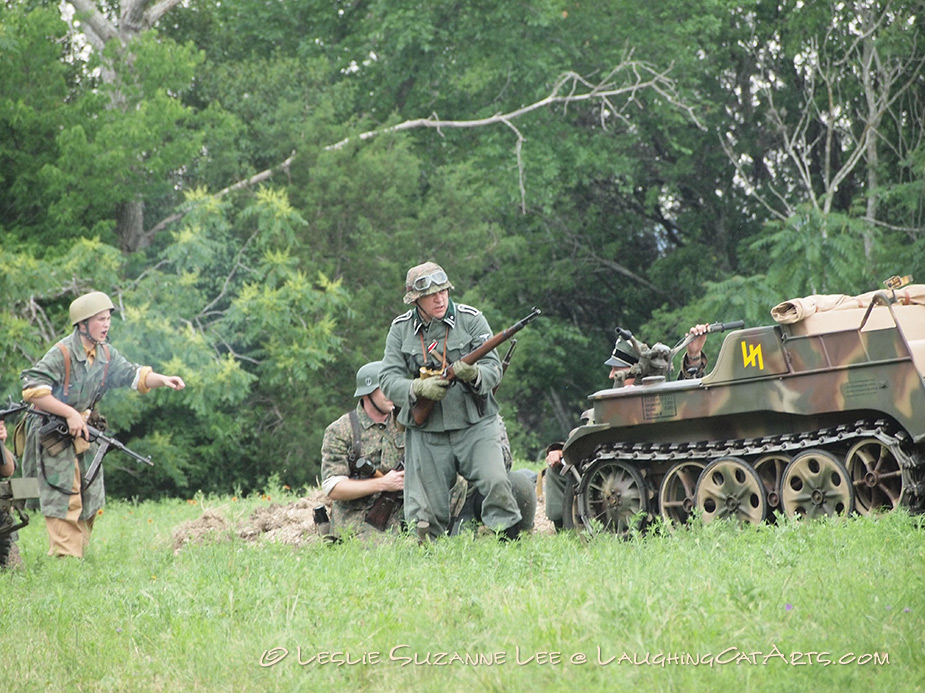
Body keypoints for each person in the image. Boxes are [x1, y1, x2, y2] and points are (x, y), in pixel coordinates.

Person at [19, 291, 185, 558]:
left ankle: (77, 555)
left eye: (108, 318)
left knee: (90, 493)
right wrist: (69, 413)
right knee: (64, 494)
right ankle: (66, 561)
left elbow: (133, 374)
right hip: (51, 431)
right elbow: (32, 388)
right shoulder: (62, 353)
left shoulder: (105, 354)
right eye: (99, 319)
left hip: (81, 431)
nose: (106, 324)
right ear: (82, 324)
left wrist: (163, 379)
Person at [379, 262, 522, 540]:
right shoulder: (401, 330)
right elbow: (388, 379)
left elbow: (493, 369)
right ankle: (428, 560)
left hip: (474, 422)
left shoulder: (471, 319)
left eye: (443, 291)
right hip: (427, 429)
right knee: (423, 508)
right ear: (415, 300)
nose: (439, 298)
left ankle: (509, 544)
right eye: (431, 294)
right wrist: (418, 388)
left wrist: (475, 374)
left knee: (496, 483)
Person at [543, 324, 710, 530]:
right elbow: (590, 437)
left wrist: (693, 356)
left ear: (636, 369)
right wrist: (560, 450)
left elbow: (690, 400)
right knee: (556, 470)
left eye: (617, 369)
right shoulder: (613, 406)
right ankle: (566, 529)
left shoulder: (662, 399)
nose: (611, 375)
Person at [320, 361, 407, 539]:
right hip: (360, 520)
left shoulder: (405, 422)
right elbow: (334, 488)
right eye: (385, 387)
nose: (392, 392)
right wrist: (384, 484)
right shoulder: (341, 430)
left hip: (403, 513)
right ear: (367, 393)